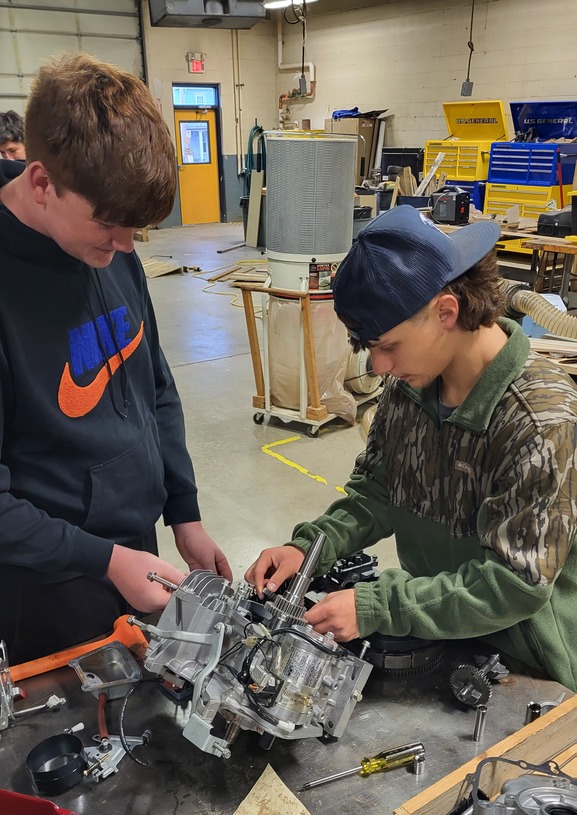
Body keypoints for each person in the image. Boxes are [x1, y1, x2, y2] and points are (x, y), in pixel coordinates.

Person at [246, 205, 577, 691]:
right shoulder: (410, 390)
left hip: (527, 661)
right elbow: (378, 491)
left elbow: (514, 585)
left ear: (446, 311)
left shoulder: (538, 418)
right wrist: (308, 548)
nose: (379, 366)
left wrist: (379, 605)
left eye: (388, 345)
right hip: (444, 636)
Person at [0, 52, 231, 662]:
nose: (126, 248)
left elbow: (152, 383)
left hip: (136, 550)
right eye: (109, 225)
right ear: (42, 181)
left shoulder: (110, 246)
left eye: (138, 231)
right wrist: (102, 560)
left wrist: (184, 513)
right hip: (48, 580)